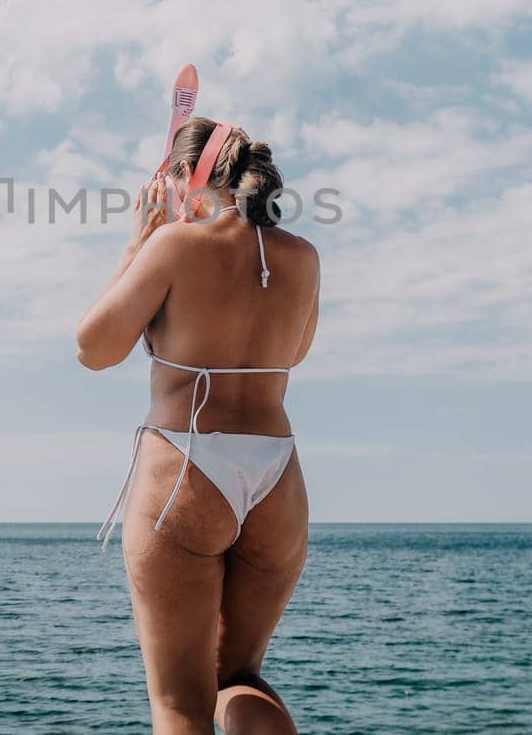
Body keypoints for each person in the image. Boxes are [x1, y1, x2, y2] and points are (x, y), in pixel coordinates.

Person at [77, 117, 321, 735]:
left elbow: (94, 349)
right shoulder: (303, 258)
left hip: (185, 469)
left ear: (189, 178)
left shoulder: (174, 247)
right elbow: (295, 352)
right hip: (275, 475)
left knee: (181, 702)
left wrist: (140, 242)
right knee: (239, 675)